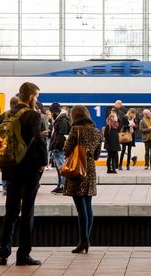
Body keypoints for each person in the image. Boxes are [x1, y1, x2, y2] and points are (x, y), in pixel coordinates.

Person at [0, 82, 48, 267]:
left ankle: (3, 254)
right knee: (27, 211)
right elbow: (39, 139)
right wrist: (44, 162)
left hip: (10, 167)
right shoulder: (33, 115)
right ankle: (23, 255)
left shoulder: (6, 114)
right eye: (37, 96)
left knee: (10, 211)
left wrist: (2, 162)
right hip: (29, 168)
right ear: (31, 97)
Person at [63, 105, 102, 254]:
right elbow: (97, 155)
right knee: (88, 205)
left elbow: (66, 150)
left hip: (77, 170)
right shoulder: (96, 131)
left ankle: (83, 241)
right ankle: (86, 239)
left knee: (81, 208)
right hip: (90, 170)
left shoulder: (76, 129)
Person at [49, 103, 70, 194]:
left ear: (54, 112)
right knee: (59, 168)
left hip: (59, 148)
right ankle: (60, 185)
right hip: (57, 147)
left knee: (62, 167)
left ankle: (63, 186)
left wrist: (56, 145)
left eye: (51, 112)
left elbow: (62, 135)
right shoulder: (60, 119)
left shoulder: (62, 120)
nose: (51, 114)